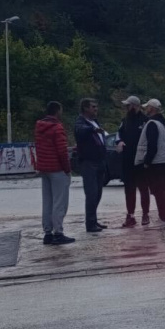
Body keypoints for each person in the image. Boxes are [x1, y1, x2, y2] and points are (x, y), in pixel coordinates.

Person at [34, 101, 74, 245]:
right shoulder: (57, 128)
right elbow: (62, 151)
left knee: (47, 202)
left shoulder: (39, 127)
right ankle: (58, 232)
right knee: (59, 202)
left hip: (44, 168)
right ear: (57, 111)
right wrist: (67, 169)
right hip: (57, 169)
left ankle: (47, 233)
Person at [136, 99, 165, 230]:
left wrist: (146, 162)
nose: (146, 109)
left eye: (147, 107)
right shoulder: (163, 122)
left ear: (151, 108)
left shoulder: (152, 123)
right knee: (164, 190)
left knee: (158, 191)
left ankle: (163, 218)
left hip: (156, 162)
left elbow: (152, 145)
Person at [74, 98, 108, 233]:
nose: (96, 109)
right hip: (89, 162)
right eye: (93, 107)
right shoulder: (80, 122)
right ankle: (90, 223)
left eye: (96, 107)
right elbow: (80, 131)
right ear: (85, 108)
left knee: (98, 193)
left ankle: (93, 219)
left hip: (100, 161)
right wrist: (93, 129)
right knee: (91, 193)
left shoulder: (95, 121)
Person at [116, 96, 150, 228]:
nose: (126, 108)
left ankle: (145, 214)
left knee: (143, 188)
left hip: (141, 161)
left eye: (128, 105)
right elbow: (118, 134)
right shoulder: (124, 120)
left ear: (135, 106)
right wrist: (119, 141)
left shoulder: (145, 121)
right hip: (127, 160)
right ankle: (130, 215)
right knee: (129, 189)